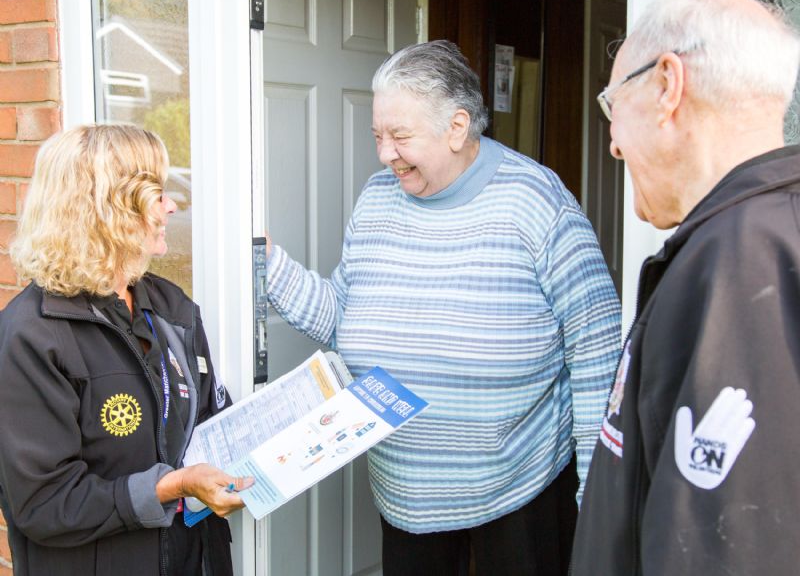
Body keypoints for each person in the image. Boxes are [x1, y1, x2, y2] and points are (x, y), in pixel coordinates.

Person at [265, 40, 621, 575]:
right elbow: (343, 317)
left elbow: (597, 352)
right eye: (378, 136)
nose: (385, 153)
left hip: (518, 490)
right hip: (404, 494)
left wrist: (599, 497)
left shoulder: (537, 201)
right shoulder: (377, 198)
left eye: (400, 137)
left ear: (457, 127)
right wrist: (267, 265)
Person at [571, 0, 800, 575]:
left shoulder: (743, 263)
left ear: (667, 86)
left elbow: (729, 542)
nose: (615, 143)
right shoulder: (745, 236)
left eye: (612, 104)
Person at [0, 125, 253, 576]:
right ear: (106, 209)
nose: (172, 206)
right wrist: (168, 487)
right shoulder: (32, 336)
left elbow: (210, 420)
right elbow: (43, 503)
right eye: (157, 194)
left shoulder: (171, 306)